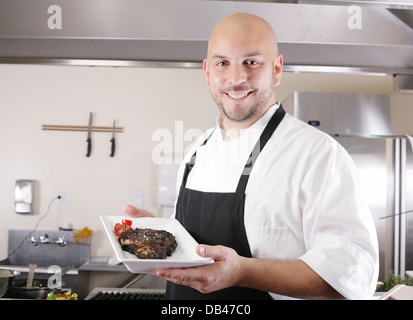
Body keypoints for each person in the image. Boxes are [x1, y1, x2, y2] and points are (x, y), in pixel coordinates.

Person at [123, 12, 379, 300]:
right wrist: (163, 234)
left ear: (277, 69)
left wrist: (245, 272)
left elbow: (352, 274)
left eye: (252, 62)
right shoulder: (198, 149)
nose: (236, 78)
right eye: (223, 63)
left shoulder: (318, 155)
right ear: (208, 73)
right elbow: (194, 250)